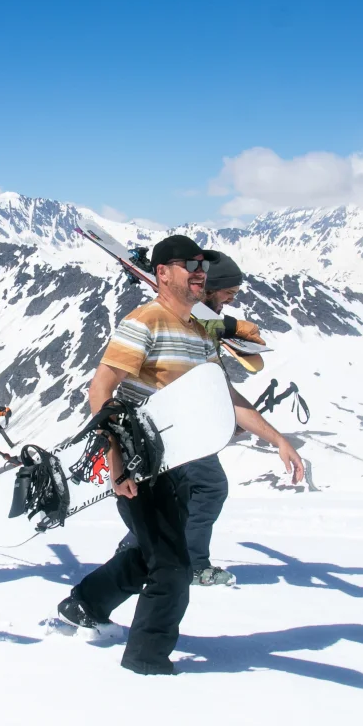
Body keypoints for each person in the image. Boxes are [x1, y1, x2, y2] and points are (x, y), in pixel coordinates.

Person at [57, 235, 304, 676]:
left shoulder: (198, 332)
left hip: (180, 464)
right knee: (172, 568)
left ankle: (84, 604)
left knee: (151, 555)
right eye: (187, 263)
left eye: (202, 265)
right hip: (140, 463)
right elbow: (101, 389)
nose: (198, 271)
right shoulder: (144, 321)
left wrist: (278, 439)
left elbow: (224, 395)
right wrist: (116, 463)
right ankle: (146, 662)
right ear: (162, 273)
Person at [117, 250, 259, 586]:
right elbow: (201, 320)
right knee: (207, 487)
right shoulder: (191, 315)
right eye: (229, 293)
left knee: (175, 494)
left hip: (176, 418)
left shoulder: (200, 316)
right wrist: (233, 326)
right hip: (167, 420)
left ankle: (135, 554)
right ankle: (187, 562)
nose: (231, 300)